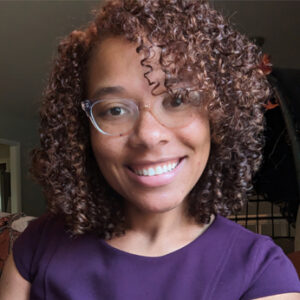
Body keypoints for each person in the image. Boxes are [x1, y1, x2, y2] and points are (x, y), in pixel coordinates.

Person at [0, 0, 299, 299]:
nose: (148, 135)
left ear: (219, 115)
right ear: (82, 129)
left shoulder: (262, 272)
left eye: (178, 100)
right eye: (115, 110)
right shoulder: (37, 246)